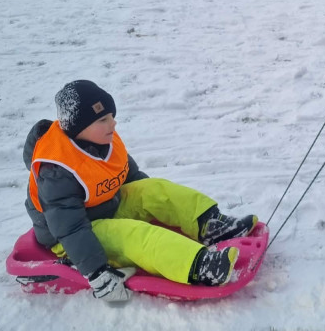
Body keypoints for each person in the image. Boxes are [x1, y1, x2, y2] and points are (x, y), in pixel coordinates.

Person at [24, 80, 258, 303]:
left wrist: (157, 210)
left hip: (106, 207)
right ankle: (200, 266)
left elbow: (132, 178)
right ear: (79, 128)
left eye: (112, 117)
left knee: (154, 189)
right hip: (72, 235)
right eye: (103, 120)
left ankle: (210, 224)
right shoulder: (56, 169)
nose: (113, 124)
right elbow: (70, 227)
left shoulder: (102, 139)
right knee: (135, 235)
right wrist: (96, 272)